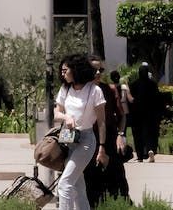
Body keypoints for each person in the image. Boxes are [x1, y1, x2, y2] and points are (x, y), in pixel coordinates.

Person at [55, 53, 107, 210]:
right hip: (68, 139)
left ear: (76, 70)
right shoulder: (65, 88)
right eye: (61, 71)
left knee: (64, 184)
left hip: (85, 140)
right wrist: (67, 117)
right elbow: (57, 113)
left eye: (65, 70)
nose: (62, 74)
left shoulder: (95, 91)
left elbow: (102, 122)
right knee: (78, 187)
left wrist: (102, 147)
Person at [83, 56, 129, 206]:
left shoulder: (109, 90)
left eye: (100, 70)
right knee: (91, 180)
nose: (97, 73)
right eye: (93, 69)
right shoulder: (79, 90)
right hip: (88, 138)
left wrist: (120, 135)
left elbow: (122, 116)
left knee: (117, 178)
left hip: (109, 137)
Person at [128, 63, 161, 163]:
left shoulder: (134, 84)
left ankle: (140, 156)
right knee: (150, 133)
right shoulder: (153, 84)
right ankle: (150, 149)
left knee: (138, 134)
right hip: (150, 113)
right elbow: (158, 99)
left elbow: (131, 100)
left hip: (137, 113)